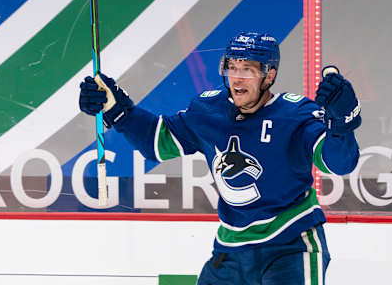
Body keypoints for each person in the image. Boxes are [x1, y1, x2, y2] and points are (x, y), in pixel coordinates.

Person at [79, 32, 361, 284]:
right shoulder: (208, 111)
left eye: (247, 70)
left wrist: (342, 122)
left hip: (290, 243)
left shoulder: (294, 115)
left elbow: (339, 163)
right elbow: (157, 142)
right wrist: (117, 110)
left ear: (270, 76)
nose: (237, 78)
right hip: (231, 247)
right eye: (232, 67)